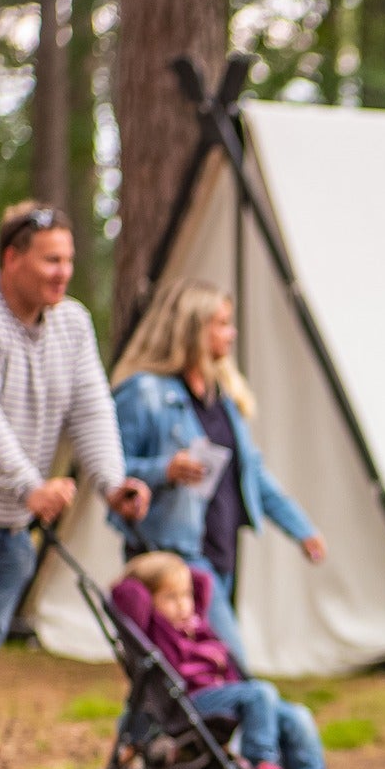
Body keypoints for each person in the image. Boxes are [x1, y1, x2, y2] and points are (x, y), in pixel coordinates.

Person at [0, 201, 151, 769]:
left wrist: (114, 483)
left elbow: (91, 408)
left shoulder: (72, 323)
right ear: (12, 258)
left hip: (15, 526)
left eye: (68, 259)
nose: (64, 272)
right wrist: (31, 484)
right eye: (51, 260)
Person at [110, 279, 324, 669]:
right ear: (193, 328)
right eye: (222, 323)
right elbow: (110, 472)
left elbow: (253, 474)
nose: (232, 332)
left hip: (221, 551)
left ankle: (138, 732)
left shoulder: (224, 400)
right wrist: (164, 470)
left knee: (184, 670)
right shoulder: (144, 393)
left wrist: (301, 529)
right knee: (227, 667)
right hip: (173, 558)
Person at [110, 552, 354, 769]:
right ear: (149, 601)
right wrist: (145, 575)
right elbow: (124, 595)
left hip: (230, 697)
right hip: (192, 702)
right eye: (170, 598)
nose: (182, 605)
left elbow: (203, 581)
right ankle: (259, 764)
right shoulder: (152, 628)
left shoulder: (198, 624)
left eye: (186, 596)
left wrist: (181, 572)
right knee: (260, 692)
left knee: (297, 715)